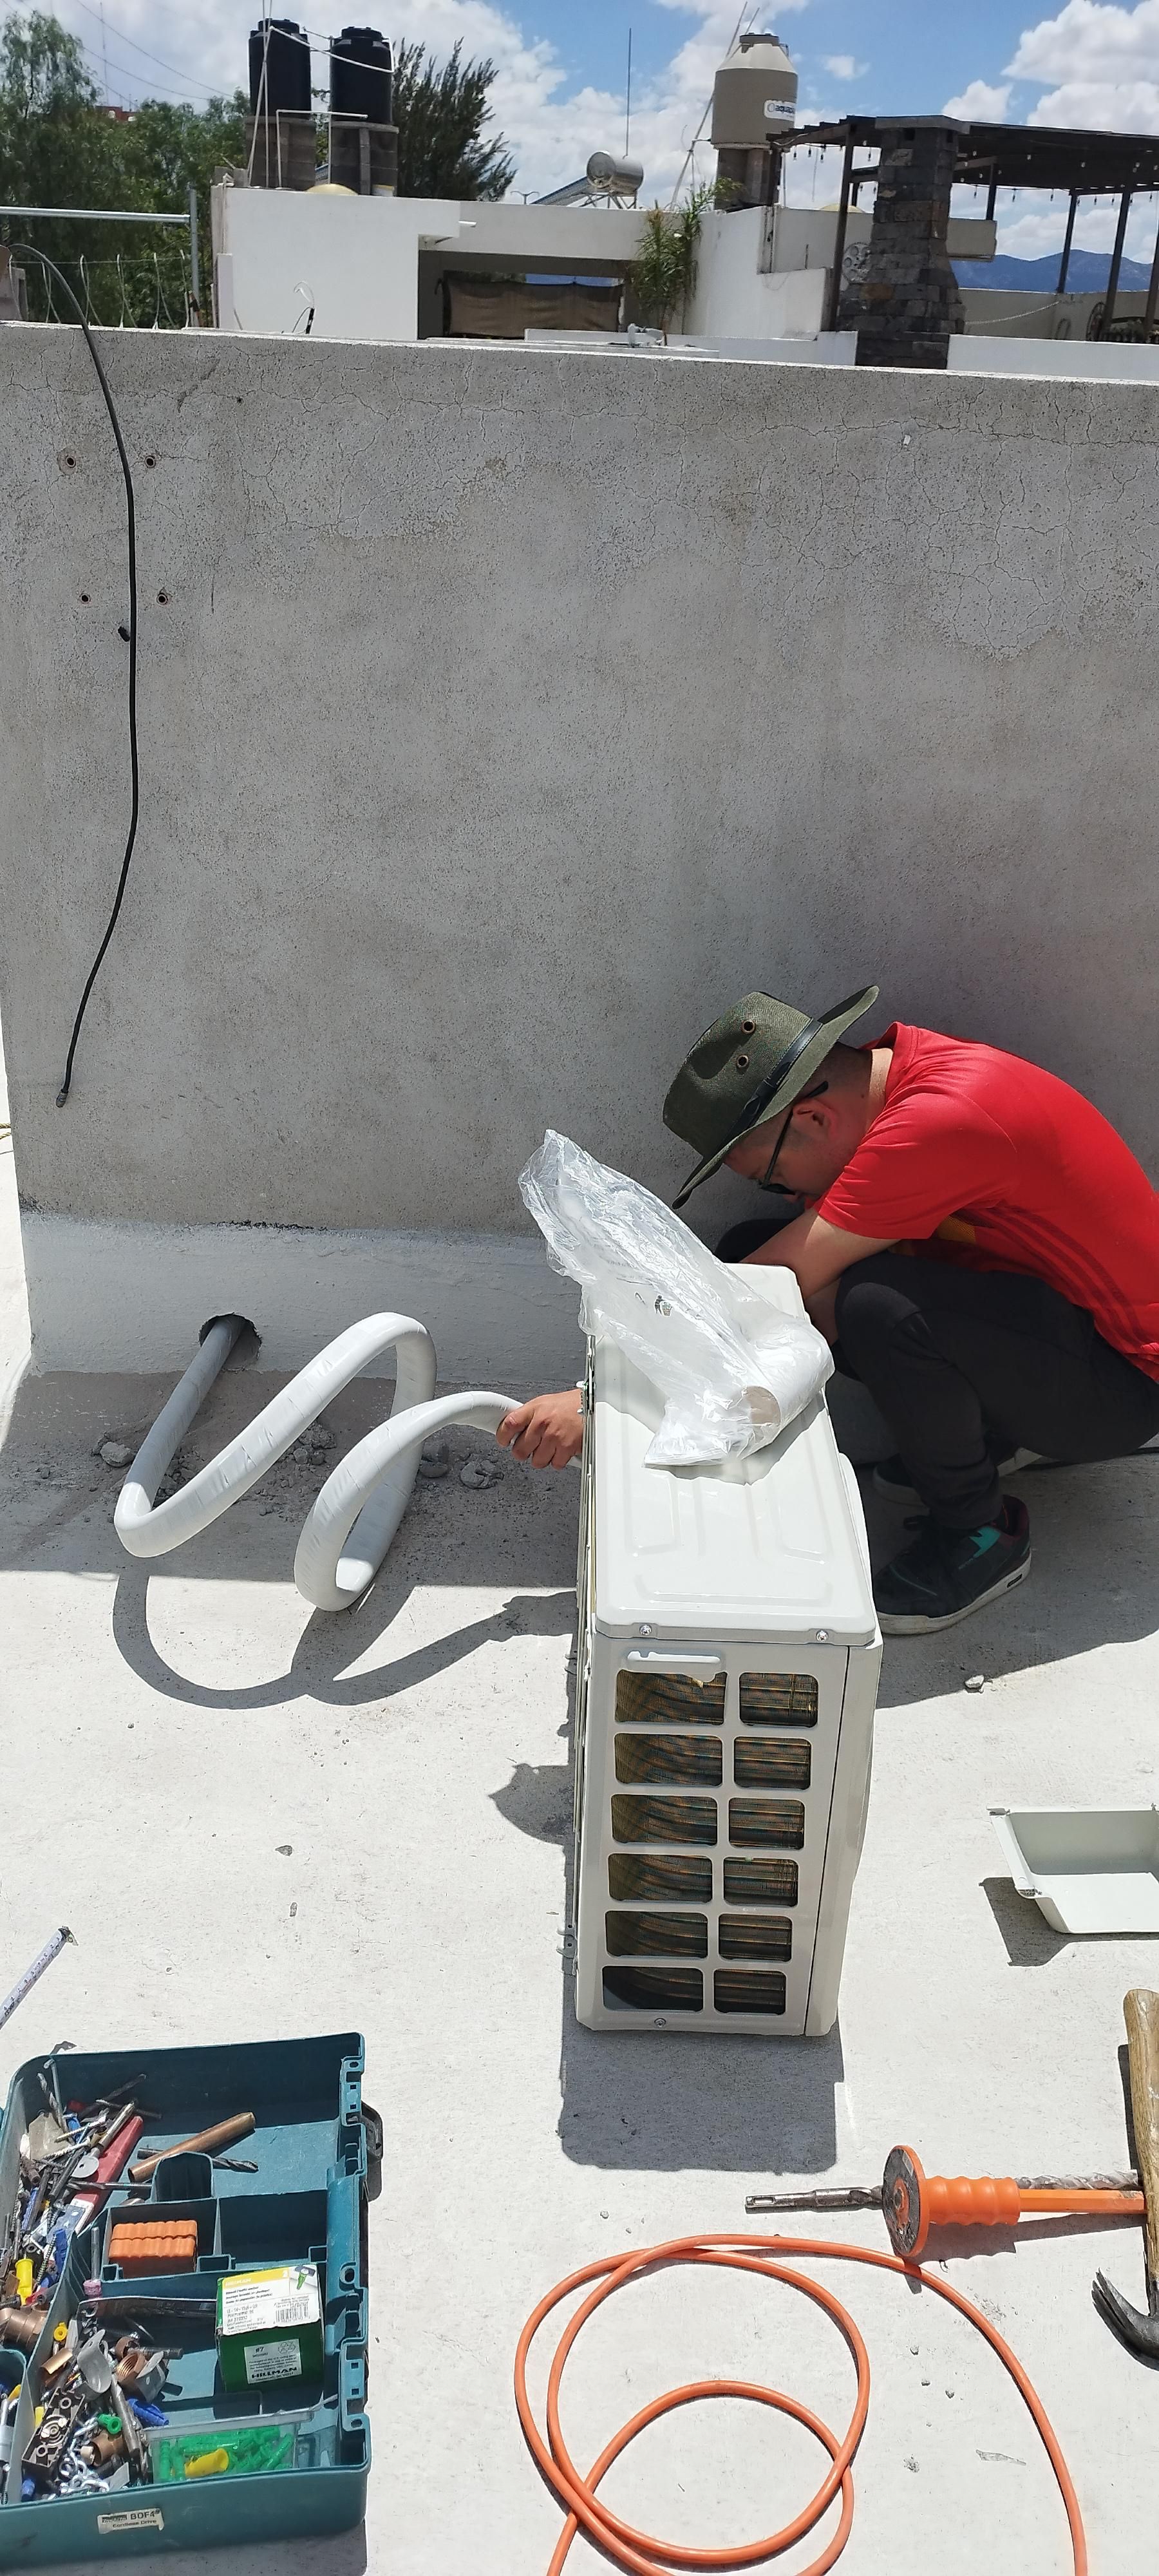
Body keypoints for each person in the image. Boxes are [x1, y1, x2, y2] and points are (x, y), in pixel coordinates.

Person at [497, 985, 1159, 1634]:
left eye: (774, 1178)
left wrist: (599, 1402)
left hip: (1123, 1385)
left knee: (874, 1308)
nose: (787, 1198)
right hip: (1053, 1328)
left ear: (813, 1119)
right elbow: (765, 1275)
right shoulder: (899, 1076)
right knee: (755, 1253)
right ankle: (982, 1438)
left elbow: (771, 1281)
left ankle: (980, 1533)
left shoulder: (941, 1121)